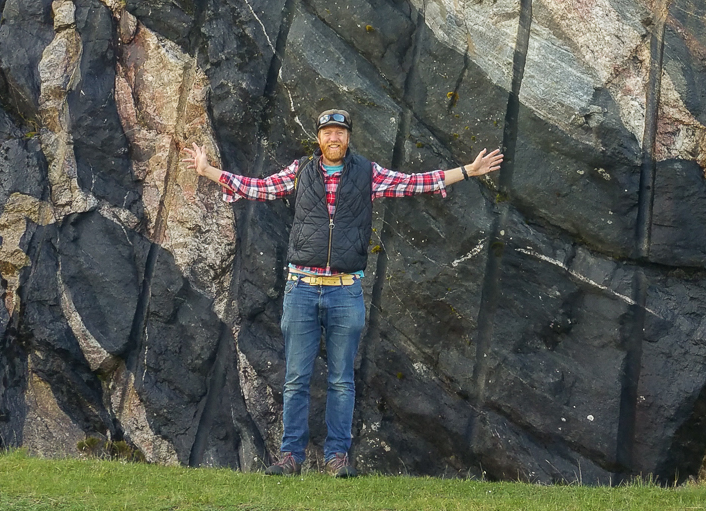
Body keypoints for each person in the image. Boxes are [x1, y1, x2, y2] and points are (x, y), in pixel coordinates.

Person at [183, 109, 502, 478]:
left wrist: (467, 170)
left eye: (340, 132)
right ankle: (291, 458)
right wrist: (207, 170)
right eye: (327, 133)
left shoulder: (370, 174)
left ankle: (337, 458)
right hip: (301, 288)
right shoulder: (299, 171)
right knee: (296, 378)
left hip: (346, 291)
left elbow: (415, 182)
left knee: (341, 379)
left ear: (348, 137)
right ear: (318, 138)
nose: (334, 138)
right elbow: (259, 187)